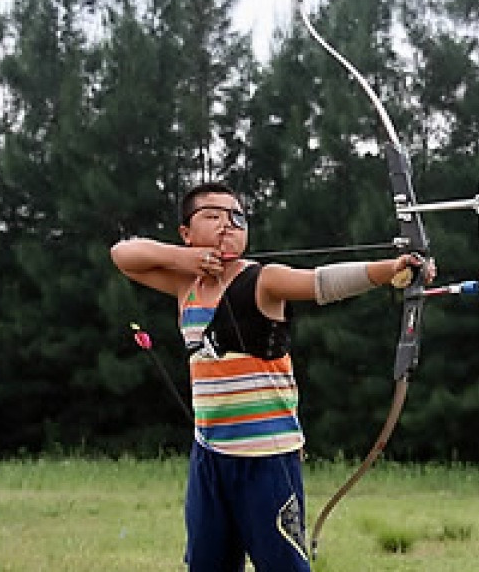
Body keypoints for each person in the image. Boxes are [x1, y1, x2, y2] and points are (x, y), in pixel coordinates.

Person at [109, 182, 431, 572]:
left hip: (266, 456)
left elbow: (321, 283)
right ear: (186, 232)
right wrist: (185, 260)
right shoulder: (185, 285)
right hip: (209, 454)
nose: (227, 225)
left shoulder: (265, 280)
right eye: (212, 216)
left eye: (237, 217)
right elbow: (123, 254)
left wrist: (392, 269)